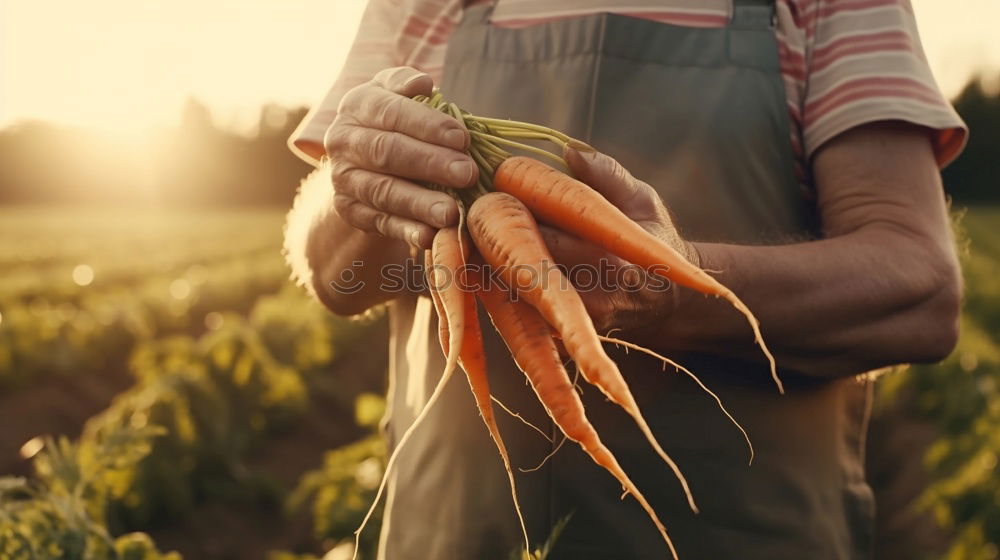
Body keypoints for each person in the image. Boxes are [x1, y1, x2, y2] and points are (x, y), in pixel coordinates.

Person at [283, 1, 967, 558]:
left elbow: (920, 291)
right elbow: (330, 272)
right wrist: (357, 182)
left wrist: (676, 288)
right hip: (446, 538)